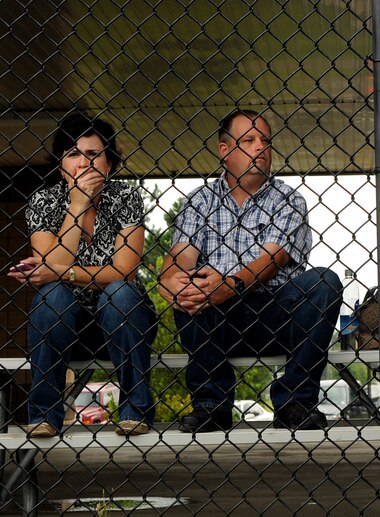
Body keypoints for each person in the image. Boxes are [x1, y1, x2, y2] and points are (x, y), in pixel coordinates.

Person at [158, 110, 341, 433]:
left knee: (325, 281)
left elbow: (272, 260)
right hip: (216, 317)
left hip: (275, 315)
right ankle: (211, 405)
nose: (261, 147)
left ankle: (294, 403)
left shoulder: (287, 198)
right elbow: (180, 257)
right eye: (249, 140)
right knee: (189, 290)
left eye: (265, 141)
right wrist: (170, 280)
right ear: (225, 150)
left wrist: (227, 284)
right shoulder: (199, 201)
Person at [8, 111, 157, 437]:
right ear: (61, 164)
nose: (83, 163)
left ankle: (135, 410)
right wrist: (76, 206)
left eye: (93, 154)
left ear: (109, 162)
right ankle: (45, 415)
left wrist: (61, 272)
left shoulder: (125, 196)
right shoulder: (44, 201)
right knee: (52, 295)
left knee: (119, 292)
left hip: (121, 322)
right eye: (73, 154)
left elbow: (124, 271)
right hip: (65, 328)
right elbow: (49, 273)